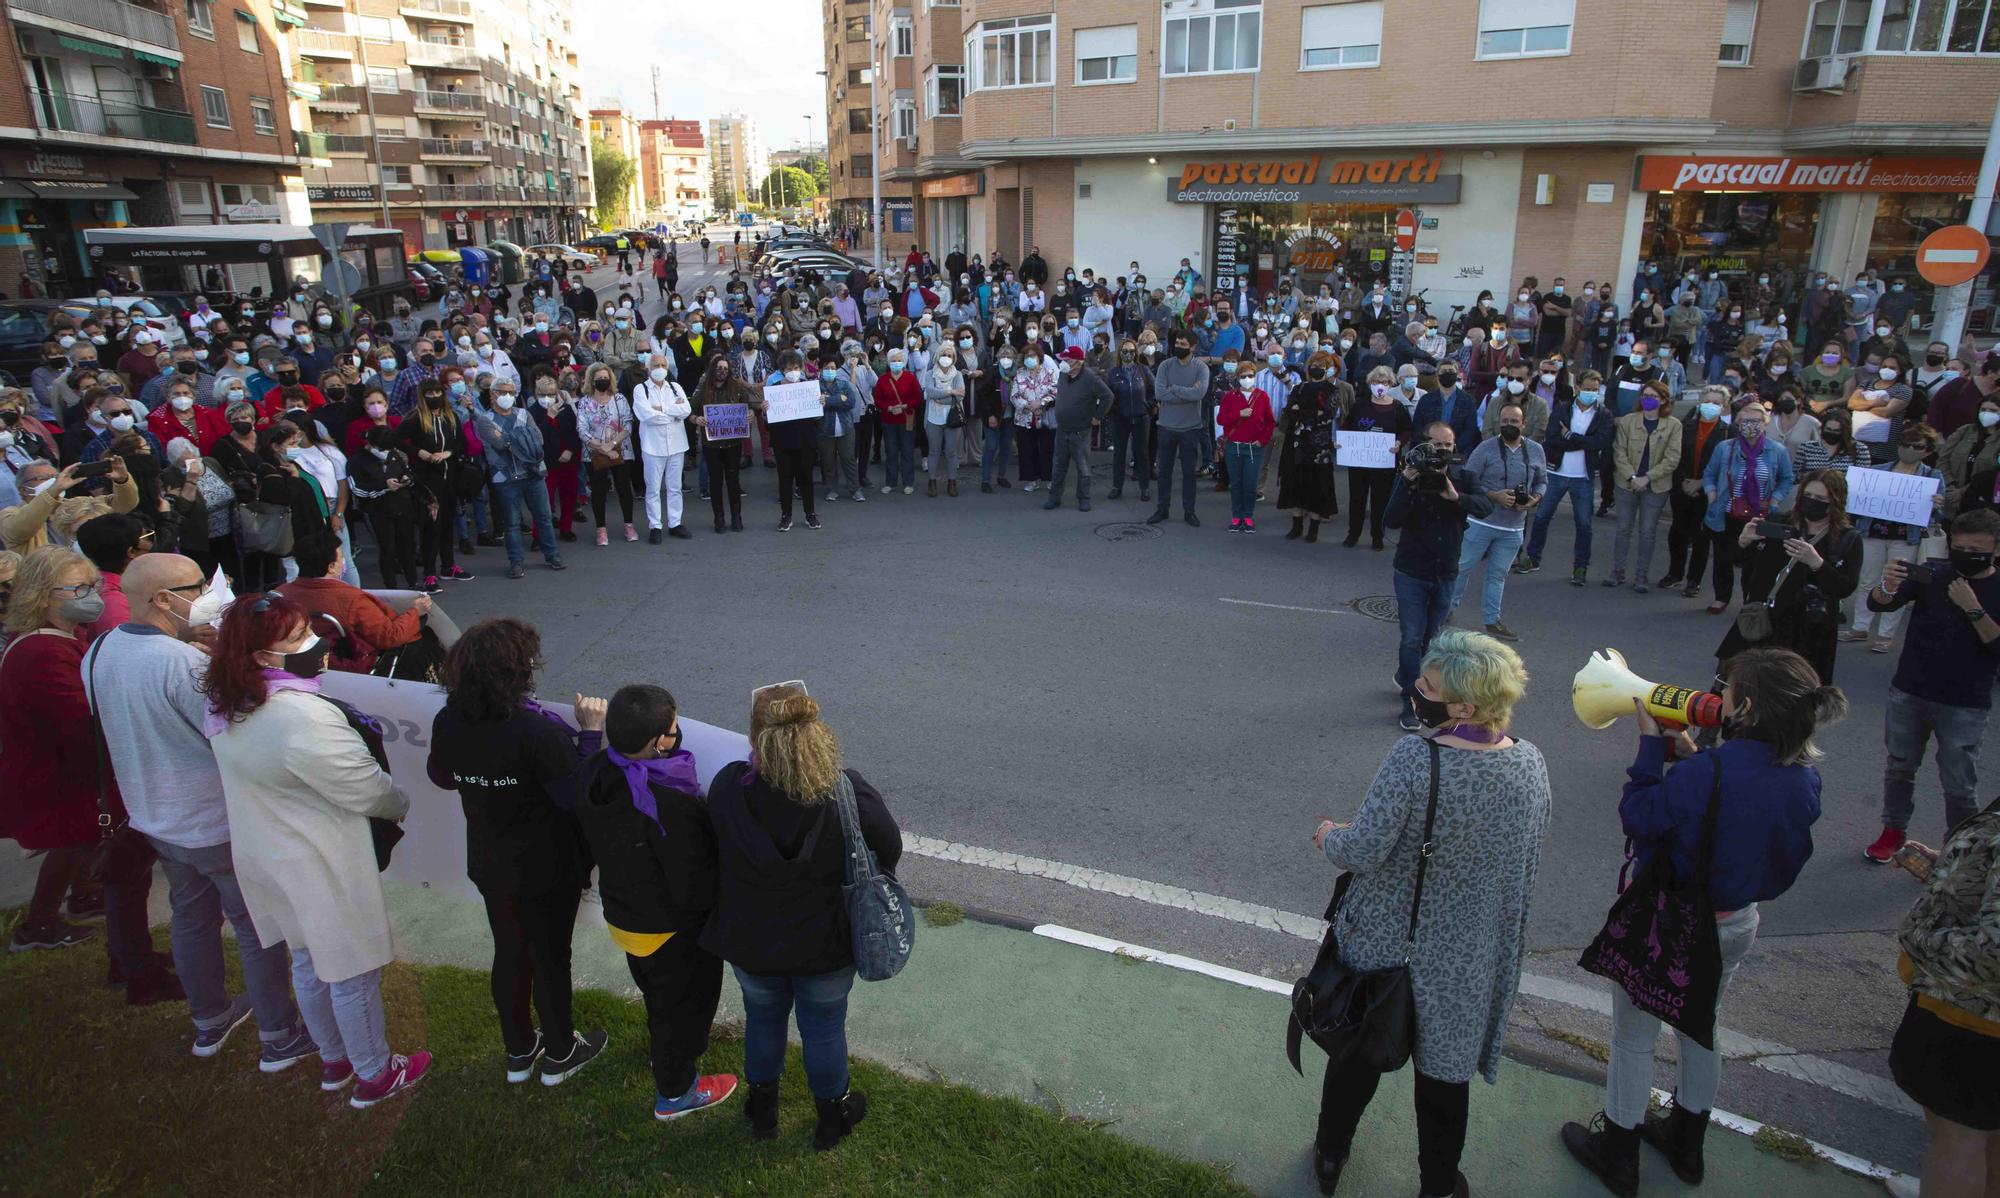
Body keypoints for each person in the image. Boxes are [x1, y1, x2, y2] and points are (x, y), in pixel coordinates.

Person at [1562, 648, 1838, 1196]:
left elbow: (1639, 815)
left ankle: (1617, 1151)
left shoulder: (1712, 769)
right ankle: (1687, 1144)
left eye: (1728, 691)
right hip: (1736, 922)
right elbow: (1746, 823)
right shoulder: (1803, 775)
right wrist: (1688, 755)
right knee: (1700, 1025)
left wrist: (1648, 747)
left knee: (1634, 1035)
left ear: (1748, 707)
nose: (1719, 697)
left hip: (1669, 924)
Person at [1310, 630, 1551, 1198]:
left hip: (1388, 946)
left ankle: (1330, 1155)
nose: (1417, 690)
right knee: (1445, 1081)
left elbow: (1365, 849)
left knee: (1357, 1056)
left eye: (1428, 686)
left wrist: (1328, 836)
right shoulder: (1531, 765)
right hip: (1467, 956)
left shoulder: (1414, 758)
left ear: (1463, 706)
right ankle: (1439, 1184)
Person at [84, 553, 318, 1064]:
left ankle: (209, 1021)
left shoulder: (100, 649)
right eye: (200, 586)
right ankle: (280, 1037)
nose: (214, 593)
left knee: (190, 917)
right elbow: (239, 734)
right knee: (258, 927)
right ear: (164, 599)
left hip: (155, 819)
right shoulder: (183, 665)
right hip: (215, 821)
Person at [202, 591, 429, 1107]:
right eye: (297, 639)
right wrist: (401, 803)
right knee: (351, 968)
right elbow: (367, 788)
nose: (314, 644)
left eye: (307, 631)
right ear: (262, 656)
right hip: (318, 856)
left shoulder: (232, 700)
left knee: (307, 958)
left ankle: (335, 1058)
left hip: (270, 852)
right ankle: (375, 1072)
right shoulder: (302, 717)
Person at [704, 683, 899, 1149]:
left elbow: (713, 847)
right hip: (827, 946)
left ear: (754, 739)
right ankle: (832, 1119)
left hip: (752, 942)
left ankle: (762, 1111)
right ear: (816, 733)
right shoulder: (847, 793)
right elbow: (888, 848)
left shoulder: (729, 787)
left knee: (763, 1020)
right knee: (825, 1029)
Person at [427, 618, 609, 1086]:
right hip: (547, 865)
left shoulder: (450, 718)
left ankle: (519, 1049)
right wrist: (591, 735)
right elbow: (576, 797)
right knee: (550, 957)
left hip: (490, 858)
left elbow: (442, 776)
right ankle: (562, 1052)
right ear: (517, 672)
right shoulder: (535, 732)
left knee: (509, 951)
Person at [574, 683, 737, 1121]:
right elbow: (695, 881)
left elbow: (583, 768)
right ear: (657, 744)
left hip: (626, 918)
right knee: (679, 1013)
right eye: (674, 728)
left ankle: (667, 1057)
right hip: (669, 928)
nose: (678, 731)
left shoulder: (595, 772)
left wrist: (589, 735)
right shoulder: (667, 807)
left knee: (656, 993)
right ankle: (676, 1092)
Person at [0, 547, 139, 964]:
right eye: (78, 588)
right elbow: (77, 719)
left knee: (80, 838)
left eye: (93, 586)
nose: (91, 595)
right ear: (43, 595)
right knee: (71, 841)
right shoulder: (43, 651)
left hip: (60, 764)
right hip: (56, 769)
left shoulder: (61, 638)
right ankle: (39, 923)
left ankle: (84, 894)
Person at [1861, 509, 2000, 862]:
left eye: (1976, 549)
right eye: (1959, 547)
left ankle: (1961, 852)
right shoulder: (1932, 575)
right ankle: (1892, 831)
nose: (1965, 555)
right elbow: (1880, 602)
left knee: (1959, 784)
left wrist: (1972, 607)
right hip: (1910, 691)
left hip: (1966, 703)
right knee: (1899, 767)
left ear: (1995, 551)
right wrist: (1885, 586)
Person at [1889, 788, 2000, 1198]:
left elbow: (1994, 951)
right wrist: (1951, 873)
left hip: (1971, 1016)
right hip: (1979, 1019)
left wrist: (1919, 938)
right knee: (1989, 1133)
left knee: (1958, 1138)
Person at [1387, 427, 1495, 730]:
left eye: (1448, 444)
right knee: (1411, 639)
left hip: (1446, 571)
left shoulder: (1463, 477)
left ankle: (1411, 677)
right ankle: (1411, 700)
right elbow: (1389, 520)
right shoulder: (1412, 475)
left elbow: (1486, 506)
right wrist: (1405, 482)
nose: (1443, 450)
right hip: (1411, 570)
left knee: (1432, 637)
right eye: (1437, 445)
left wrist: (1456, 497)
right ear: (1425, 445)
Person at [1711, 471, 1863, 686]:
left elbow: (1844, 587)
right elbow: (1740, 561)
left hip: (1806, 633)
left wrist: (1816, 563)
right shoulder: (1780, 523)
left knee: (1785, 704)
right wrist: (1744, 542)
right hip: (1761, 622)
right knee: (1731, 693)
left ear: (1835, 503)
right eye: (1808, 496)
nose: (1812, 502)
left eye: (1820, 500)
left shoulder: (1848, 539)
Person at [1844, 425, 1945, 653]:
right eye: (1905, 444)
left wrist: (1936, 505)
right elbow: (1857, 506)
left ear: (1927, 451)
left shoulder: (1932, 476)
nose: (1909, 449)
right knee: (1867, 580)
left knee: (1897, 583)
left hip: (1905, 538)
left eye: (1916, 446)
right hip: (1873, 533)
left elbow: (1939, 514)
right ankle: (1860, 626)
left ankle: (1885, 635)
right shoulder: (1879, 470)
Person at [1453, 401, 1546, 642]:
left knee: (1498, 575)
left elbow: (1542, 482)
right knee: (1462, 567)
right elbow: (1468, 480)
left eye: (1514, 421)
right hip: (1482, 522)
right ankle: (1446, 609)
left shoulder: (1535, 450)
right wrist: (1494, 495)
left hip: (1514, 526)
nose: (1509, 425)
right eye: (1504, 421)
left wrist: (1533, 499)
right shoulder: (1485, 448)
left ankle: (1492, 620)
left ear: (1524, 424)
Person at [1701, 401, 1797, 616]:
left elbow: (1786, 478)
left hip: (1759, 516)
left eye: (1755, 421)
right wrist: (1711, 494)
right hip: (1726, 512)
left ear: (1765, 423)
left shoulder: (1777, 451)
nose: (1750, 426)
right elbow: (1709, 473)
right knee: (1723, 558)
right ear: (1738, 423)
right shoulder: (1725, 448)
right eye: (1745, 421)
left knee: (1753, 563)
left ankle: (1749, 600)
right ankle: (1721, 597)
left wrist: (1775, 500)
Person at [1518, 373, 1613, 584]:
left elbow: (1600, 442)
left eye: (1595, 389)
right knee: (1541, 517)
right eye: (1587, 388)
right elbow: (1552, 439)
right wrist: (1580, 441)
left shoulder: (1604, 415)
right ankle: (1533, 558)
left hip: (1583, 477)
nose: (1591, 393)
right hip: (1556, 472)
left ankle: (1580, 567)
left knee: (1584, 525)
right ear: (1578, 387)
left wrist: (1570, 436)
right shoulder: (1563, 409)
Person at [1603, 380, 1684, 591]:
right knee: (1623, 529)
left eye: (1654, 396)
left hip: (1656, 487)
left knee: (1647, 532)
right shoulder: (1628, 421)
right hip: (1626, 483)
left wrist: (1647, 477)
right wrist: (1632, 476)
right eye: (1645, 395)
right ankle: (1617, 571)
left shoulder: (1674, 425)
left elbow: (1672, 458)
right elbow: (1618, 451)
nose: (1648, 400)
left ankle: (1641, 576)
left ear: (1664, 400)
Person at [1342, 368, 1415, 549]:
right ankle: (1353, 533)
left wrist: (1399, 442)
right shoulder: (1360, 405)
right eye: (1375, 382)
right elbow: (1347, 426)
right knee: (1357, 498)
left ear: (1391, 384)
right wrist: (1341, 443)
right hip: (1359, 461)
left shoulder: (1397, 407)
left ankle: (1377, 536)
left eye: (1384, 382)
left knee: (1380, 500)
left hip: (1384, 462)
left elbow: (1407, 429)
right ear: (1369, 384)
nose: (1380, 386)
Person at [1274, 351, 1342, 540]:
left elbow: (1326, 415)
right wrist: (1311, 413)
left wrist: (1302, 412)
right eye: (1314, 364)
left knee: (1317, 484)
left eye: (1322, 365)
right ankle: (1296, 525)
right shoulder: (1299, 388)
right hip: (1296, 443)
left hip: (1319, 446)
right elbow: (1289, 412)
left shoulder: (1332, 390)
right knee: (1295, 482)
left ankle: (1314, 527)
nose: (1317, 368)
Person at [1042, 346, 1114, 513]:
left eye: (1067, 360)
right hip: (1062, 429)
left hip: (1080, 432)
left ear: (1078, 362)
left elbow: (1108, 396)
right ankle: (1054, 497)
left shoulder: (1090, 378)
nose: (1063, 362)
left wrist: (1097, 416)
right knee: (1058, 466)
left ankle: (1084, 498)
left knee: (1083, 468)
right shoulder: (1063, 374)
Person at [631, 355, 693, 544]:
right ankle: (655, 526)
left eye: (663, 365)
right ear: (648, 368)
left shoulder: (675, 387)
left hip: (676, 444)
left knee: (674, 487)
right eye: (656, 365)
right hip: (653, 446)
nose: (660, 368)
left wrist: (661, 408)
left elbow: (686, 410)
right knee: (653, 488)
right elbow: (646, 415)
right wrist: (672, 413)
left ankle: (675, 523)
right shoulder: (641, 389)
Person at [1150, 333, 1210, 528]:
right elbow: (1160, 393)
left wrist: (1174, 388)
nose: (1178, 346)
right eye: (1177, 343)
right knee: (1164, 472)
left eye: (1182, 343)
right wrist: (1187, 392)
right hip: (1166, 426)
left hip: (1191, 428)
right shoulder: (1165, 366)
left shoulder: (1201, 367)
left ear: (1192, 347)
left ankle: (1189, 511)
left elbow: (1199, 393)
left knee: (1188, 474)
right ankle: (1162, 508)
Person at [691, 356, 756, 532]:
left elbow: (749, 407)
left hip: (733, 443)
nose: (722, 372)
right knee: (716, 482)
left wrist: (750, 414)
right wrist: (697, 419)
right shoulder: (703, 388)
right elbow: (691, 411)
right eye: (719, 368)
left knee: (733, 480)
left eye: (726, 369)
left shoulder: (737, 387)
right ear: (713, 369)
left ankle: (736, 516)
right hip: (711, 444)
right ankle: (718, 517)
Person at [922, 342, 967, 498]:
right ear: (937, 356)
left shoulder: (958, 375)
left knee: (951, 452)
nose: (946, 358)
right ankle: (932, 482)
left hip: (952, 419)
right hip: (933, 418)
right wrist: (950, 392)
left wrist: (943, 399)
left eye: (949, 355)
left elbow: (960, 396)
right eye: (943, 355)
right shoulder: (929, 374)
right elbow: (930, 392)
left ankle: (952, 482)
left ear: (954, 358)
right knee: (933, 451)